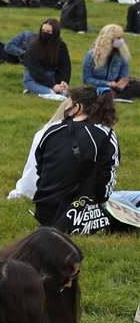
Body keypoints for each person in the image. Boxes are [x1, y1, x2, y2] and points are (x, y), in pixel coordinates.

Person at [21, 85, 137, 234]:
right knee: (131, 198)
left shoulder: (51, 130)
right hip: (79, 214)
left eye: (68, 102)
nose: (65, 106)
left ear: (78, 107)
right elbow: (106, 183)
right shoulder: (106, 135)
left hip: (45, 212)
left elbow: (40, 171)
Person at [23, 19, 72, 98]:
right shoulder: (33, 46)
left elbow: (65, 66)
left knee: (65, 94)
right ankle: (32, 89)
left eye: (48, 32)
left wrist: (63, 82)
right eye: (43, 30)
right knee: (52, 94)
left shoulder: (61, 46)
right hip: (33, 78)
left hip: (52, 77)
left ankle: (33, 91)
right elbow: (35, 71)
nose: (45, 34)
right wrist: (52, 85)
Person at [83, 24, 131, 97]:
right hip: (96, 88)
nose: (121, 41)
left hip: (115, 89)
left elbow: (124, 76)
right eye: (118, 38)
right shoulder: (92, 55)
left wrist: (122, 82)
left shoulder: (122, 56)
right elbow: (87, 79)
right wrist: (107, 83)